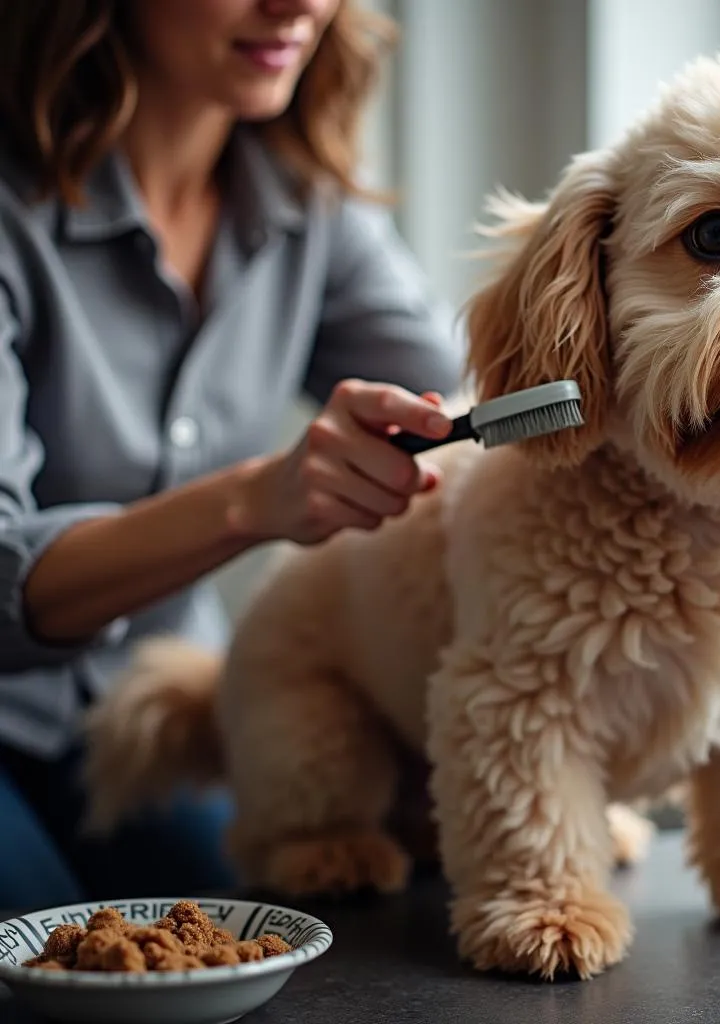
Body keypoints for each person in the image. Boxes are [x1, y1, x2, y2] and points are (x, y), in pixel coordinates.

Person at [0, 0, 463, 907]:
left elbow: (466, 392)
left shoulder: (305, 193)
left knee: (286, 947)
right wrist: (255, 500)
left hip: (151, 718)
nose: (298, 5)